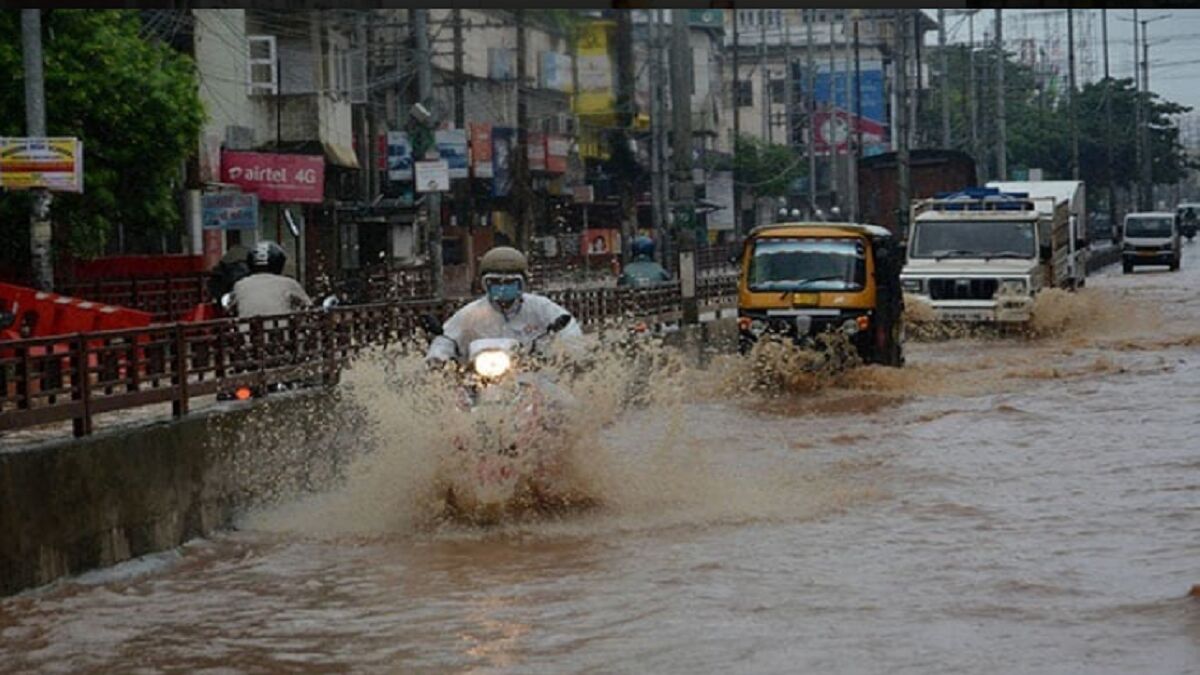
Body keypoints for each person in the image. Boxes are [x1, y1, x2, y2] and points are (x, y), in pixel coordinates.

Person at [427, 246, 583, 365]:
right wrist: (438, 357)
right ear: (485, 284)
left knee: (565, 402)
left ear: (522, 283)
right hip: (480, 379)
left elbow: (568, 328)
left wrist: (566, 352)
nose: (502, 287)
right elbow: (447, 338)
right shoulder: (470, 314)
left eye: (509, 282)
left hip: (533, 374)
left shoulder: (540, 307)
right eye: (495, 282)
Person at [229, 241, 312, 317]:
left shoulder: (240, 285)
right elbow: (308, 306)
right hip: (280, 331)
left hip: (248, 332)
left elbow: (230, 307)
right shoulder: (289, 283)